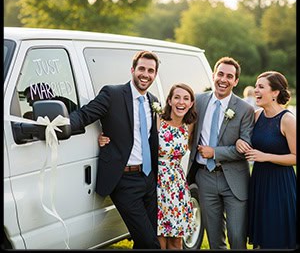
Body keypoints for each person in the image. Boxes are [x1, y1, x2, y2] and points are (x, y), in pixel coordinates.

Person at [69, 50, 161, 249]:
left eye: (151, 71)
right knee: (149, 242)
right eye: (142, 69)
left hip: (149, 178)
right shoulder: (113, 94)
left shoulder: (153, 101)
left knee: (146, 237)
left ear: (155, 74)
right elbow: (85, 115)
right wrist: (61, 124)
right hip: (124, 180)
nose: (146, 74)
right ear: (132, 70)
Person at [99, 83, 198, 249]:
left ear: (191, 103)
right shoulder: (158, 120)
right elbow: (131, 133)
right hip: (156, 184)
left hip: (177, 188)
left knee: (176, 240)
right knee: (157, 237)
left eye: (186, 98)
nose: (181, 102)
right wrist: (104, 137)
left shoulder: (190, 126)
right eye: (177, 97)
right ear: (170, 100)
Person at [187, 56, 255, 249]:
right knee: (215, 239)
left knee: (236, 235)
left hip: (234, 180)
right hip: (204, 178)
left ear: (236, 81)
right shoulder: (198, 100)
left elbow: (245, 148)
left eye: (229, 76)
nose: (223, 79)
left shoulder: (245, 109)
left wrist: (214, 152)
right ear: (213, 75)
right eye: (220, 74)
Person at [236, 71, 296, 249]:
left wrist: (265, 157)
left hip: (280, 185)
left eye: (261, 87)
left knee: (276, 236)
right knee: (261, 238)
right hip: (259, 182)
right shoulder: (256, 115)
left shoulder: (287, 120)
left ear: (275, 93)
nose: (256, 90)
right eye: (256, 86)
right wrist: (240, 141)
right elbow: (244, 137)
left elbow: (295, 157)